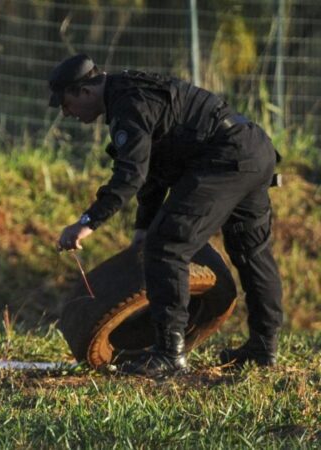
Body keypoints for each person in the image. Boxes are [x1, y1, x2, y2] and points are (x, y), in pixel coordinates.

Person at [50, 54, 283, 377]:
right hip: (253, 149)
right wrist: (142, 229)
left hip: (225, 158)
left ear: (84, 91)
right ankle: (264, 348)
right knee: (251, 252)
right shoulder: (131, 89)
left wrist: (87, 223)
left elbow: (130, 175)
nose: (67, 114)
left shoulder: (128, 105)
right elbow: (154, 171)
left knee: (168, 248)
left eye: (66, 104)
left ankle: (169, 354)